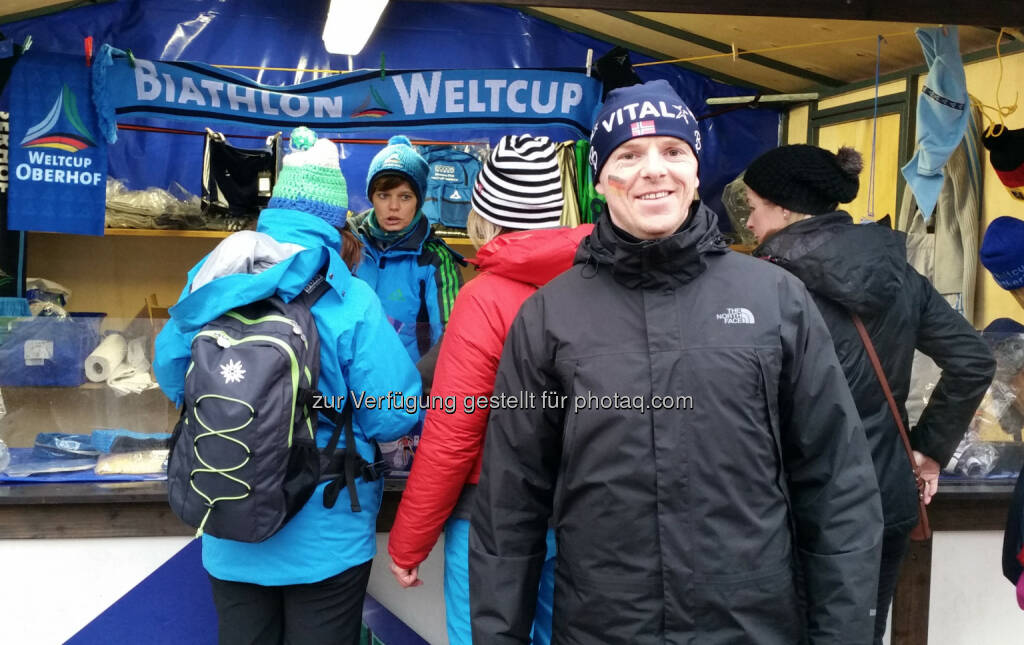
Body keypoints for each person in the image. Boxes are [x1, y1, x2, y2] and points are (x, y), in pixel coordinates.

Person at [469, 80, 884, 644]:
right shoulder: (549, 317)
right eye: (628, 155)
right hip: (605, 625)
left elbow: (836, 483)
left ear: (695, 171)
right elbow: (508, 502)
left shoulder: (775, 299)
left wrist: (841, 635)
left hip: (750, 624)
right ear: (600, 180)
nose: (653, 170)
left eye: (673, 151)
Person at [154, 127, 421, 645]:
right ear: (337, 219)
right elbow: (394, 413)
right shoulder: (350, 296)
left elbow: (171, 375)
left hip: (227, 513)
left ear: (274, 209)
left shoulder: (212, 278)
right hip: (325, 533)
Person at [743, 143, 996, 644]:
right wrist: (928, 450)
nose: (749, 223)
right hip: (884, 496)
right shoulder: (897, 270)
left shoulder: (763, 283)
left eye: (753, 207)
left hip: (790, 505)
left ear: (786, 207)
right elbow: (974, 358)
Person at [386, 134, 592, 645]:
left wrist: (408, 542)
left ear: (485, 214)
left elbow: (454, 434)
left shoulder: (485, 298)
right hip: (581, 511)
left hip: (493, 514)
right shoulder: (597, 283)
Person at [351, 134, 465, 470]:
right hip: (350, 393)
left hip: (410, 401)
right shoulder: (350, 247)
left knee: (403, 492)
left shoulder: (435, 259)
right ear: (371, 196)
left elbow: (453, 334)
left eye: (405, 196)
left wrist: (408, 391)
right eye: (383, 195)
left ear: (420, 199)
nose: (393, 207)